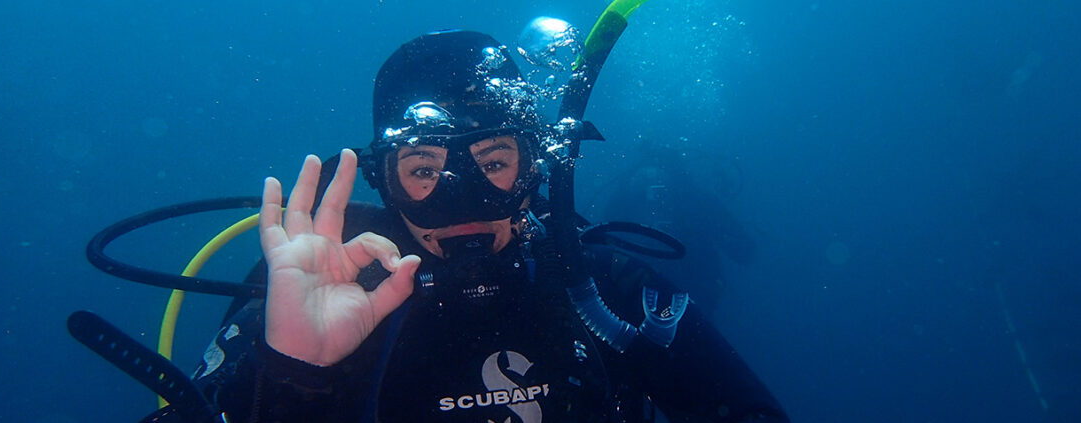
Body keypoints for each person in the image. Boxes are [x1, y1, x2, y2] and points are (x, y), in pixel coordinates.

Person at [188, 30, 786, 423]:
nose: (462, 203)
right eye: (423, 170)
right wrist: (292, 374)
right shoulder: (319, 297)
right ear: (383, 182)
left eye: (494, 163)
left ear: (535, 167)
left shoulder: (614, 295)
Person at [602, 142, 756, 317]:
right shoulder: (629, 199)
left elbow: (745, 251)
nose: (659, 191)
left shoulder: (699, 203)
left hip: (683, 301)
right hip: (647, 304)